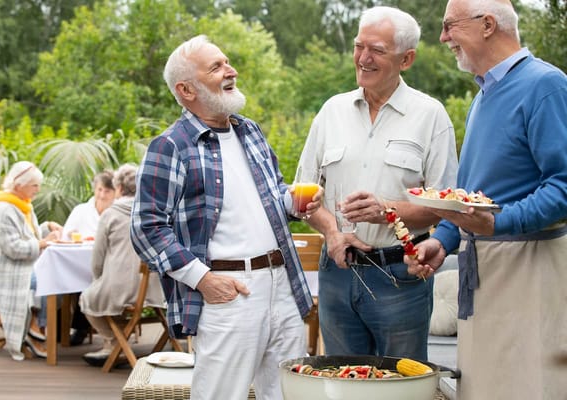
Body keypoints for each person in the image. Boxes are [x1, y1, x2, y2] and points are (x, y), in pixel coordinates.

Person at [130, 35, 321, 400]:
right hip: (227, 294)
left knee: (289, 394)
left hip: (282, 284)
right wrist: (202, 280)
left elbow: (272, 195)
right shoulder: (170, 146)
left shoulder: (249, 130)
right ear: (186, 89)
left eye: (227, 62)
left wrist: (294, 202)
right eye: (216, 67)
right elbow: (146, 228)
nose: (230, 71)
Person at [405, 1, 567, 398]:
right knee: (487, 386)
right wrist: (441, 241)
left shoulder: (545, 85)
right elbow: (471, 191)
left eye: (449, 26)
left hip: (530, 271)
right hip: (485, 269)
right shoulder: (483, 96)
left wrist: (499, 222)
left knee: (527, 386)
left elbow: (563, 183)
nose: (442, 38)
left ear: (488, 25)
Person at [296, 6, 458, 361]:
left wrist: (387, 210)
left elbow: (447, 210)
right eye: (359, 46)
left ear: (407, 58)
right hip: (337, 271)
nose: (363, 58)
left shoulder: (431, 117)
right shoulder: (331, 112)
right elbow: (303, 196)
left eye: (377, 50)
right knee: (343, 380)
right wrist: (333, 234)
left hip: (401, 276)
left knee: (400, 383)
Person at [79, 164, 165, 366]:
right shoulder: (153, 212)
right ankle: (115, 345)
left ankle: (115, 343)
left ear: (118, 188)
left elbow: (97, 258)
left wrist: (98, 279)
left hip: (119, 287)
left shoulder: (111, 214)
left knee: (87, 298)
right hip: (156, 288)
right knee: (104, 294)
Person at [0, 161, 63, 361]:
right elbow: (14, 248)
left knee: (54, 278)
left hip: (26, 268)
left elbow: (30, 234)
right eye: (34, 185)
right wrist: (43, 243)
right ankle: (37, 331)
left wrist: (48, 227)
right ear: (19, 185)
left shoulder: (22, 205)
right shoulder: (3, 210)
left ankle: (38, 327)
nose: (38, 190)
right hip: (9, 273)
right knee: (48, 282)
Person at [62, 170, 116, 345]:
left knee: (93, 281)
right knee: (78, 280)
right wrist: (75, 236)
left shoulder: (118, 213)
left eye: (107, 191)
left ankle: (89, 328)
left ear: (115, 192)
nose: (102, 195)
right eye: (99, 189)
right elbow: (66, 235)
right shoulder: (81, 211)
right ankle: (74, 329)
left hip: (109, 267)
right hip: (79, 262)